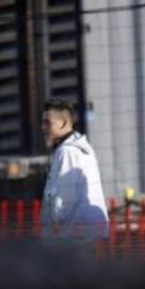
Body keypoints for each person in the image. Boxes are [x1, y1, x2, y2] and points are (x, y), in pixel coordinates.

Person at [40, 98, 108, 239]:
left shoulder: (68, 152)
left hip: (71, 237)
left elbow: (64, 199)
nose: (43, 127)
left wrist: (52, 228)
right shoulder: (81, 147)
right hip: (85, 233)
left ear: (64, 123)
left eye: (47, 122)